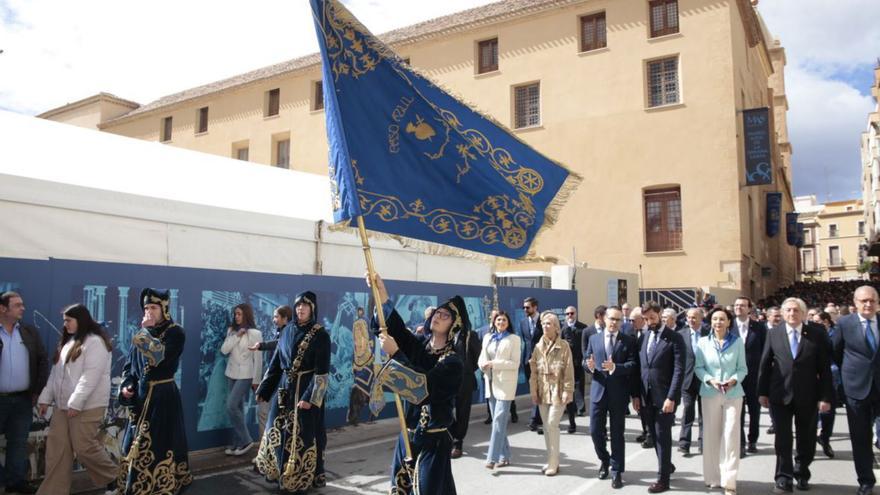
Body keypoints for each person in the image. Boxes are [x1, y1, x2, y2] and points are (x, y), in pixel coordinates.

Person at [367, 274, 464, 494]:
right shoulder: (421, 345)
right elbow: (397, 331)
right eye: (438, 312)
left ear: (454, 325)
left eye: (445, 315)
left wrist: (396, 354)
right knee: (400, 488)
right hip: (407, 434)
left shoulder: (453, 363)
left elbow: (423, 389)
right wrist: (381, 293)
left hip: (433, 441)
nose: (439, 316)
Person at [117, 288, 192, 494]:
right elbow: (130, 366)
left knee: (160, 444)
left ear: (164, 309)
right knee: (135, 444)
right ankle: (137, 485)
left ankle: (160, 485)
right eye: (146, 308)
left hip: (162, 397)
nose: (149, 312)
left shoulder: (176, 332)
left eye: (153, 307)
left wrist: (145, 332)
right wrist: (126, 386)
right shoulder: (141, 334)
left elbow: (158, 358)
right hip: (141, 398)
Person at [36, 304, 117, 495]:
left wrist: (75, 403)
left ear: (81, 320)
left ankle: (115, 477)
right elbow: (56, 374)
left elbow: (90, 377)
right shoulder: (68, 342)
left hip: (87, 406)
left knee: (83, 447)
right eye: (64, 321)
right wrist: (45, 398)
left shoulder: (95, 342)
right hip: (63, 407)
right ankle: (52, 491)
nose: (65, 325)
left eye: (68, 320)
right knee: (57, 452)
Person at [254, 291, 331, 491]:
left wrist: (310, 399)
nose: (300, 308)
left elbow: (322, 373)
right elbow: (276, 363)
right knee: (277, 430)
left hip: (305, 391)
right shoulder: (287, 330)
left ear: (312, 309)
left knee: (302, 436)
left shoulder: (321, 335)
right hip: (284, 390)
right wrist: (265, 388)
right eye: (298, 305)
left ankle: (301, 476)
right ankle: (279, 472)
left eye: (305, 305)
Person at [758, 297, 833, 493]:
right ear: (783, 314)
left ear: (803, 313)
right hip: (779, 395)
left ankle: (802, 473)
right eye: (788, 310)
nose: (792, 314)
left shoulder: (816, 334)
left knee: (806, 439)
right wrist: (762, 392)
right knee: (782, 439)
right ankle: (783, 477)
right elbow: (765, 365)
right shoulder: (774, 334)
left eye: (796, 310)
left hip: (808, 395)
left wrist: (825, 397)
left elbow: (824, 369)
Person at [694, 307, 748, 495]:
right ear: (711, 322)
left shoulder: (737, 342)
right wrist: (711, 380)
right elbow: (699, 368)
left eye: (722, 319)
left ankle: (729, 481)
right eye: (715, 319)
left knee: (731, 435)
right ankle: (713, 478)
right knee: (711, 435)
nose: (718, 322)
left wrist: (733, 380)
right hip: (710, 393)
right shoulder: (702, 343)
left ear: (729, 322)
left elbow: (743, 368)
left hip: (733, 394)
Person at [833, 286, 880, 495]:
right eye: (863, 301)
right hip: (856, 388)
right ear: (855, 302)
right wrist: (849, 373)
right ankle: (866, 481)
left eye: (872, 300)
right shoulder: (844, 323)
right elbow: (835, 352)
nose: (868, 304)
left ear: (878, 302)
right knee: (860, 438)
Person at [0, 291, 48, 495]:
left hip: (22, 400)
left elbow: (41, 360)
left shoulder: (28, 332)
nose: (23, 308)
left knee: (18, 443)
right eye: (17, 305)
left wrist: (37, 390)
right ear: (3, 309)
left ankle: (15, 483)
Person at [585, 306, 638, 489]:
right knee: (594, 431)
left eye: (618, 320)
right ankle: (604, 459)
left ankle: (616, 472)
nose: (614, 323)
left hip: (618, 394)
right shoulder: (594, 338)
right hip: (598, 392)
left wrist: (616, 368)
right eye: (611, 319)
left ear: (621, 322)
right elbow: (587, 360)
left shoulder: (629, 341)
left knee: (617, 434)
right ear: (604, 319)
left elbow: (633, 365)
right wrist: (589, 366)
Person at [637, 301, 685, 493]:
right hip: (646, 396)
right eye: (646, 319)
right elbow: (641, 367)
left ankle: (662, 480)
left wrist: (671, 397)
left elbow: (679, 370)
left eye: (653, 318)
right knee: (654, 435)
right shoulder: (644, 336)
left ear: (660, 314)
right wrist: (636, 395)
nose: (650, 322)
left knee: (663, 437)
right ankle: (667, 465)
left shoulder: (674, 338)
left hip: (665, 398)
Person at [528, 311, 574, 476]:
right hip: (543, 391)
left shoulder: (564, 346)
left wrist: (567, 391)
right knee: (547, 428)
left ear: (556, 327)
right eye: (543, 324)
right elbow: (533, 372)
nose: (545, 327)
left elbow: (569, 370)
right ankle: (551, 460)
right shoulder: (538, 347)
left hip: (558, 391)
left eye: (549, 324)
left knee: (552, 424)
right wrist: (533, 392)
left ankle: (553, 463)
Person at [478, 311, 521, 469]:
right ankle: (505, 455)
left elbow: (514, 364)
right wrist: (482, 365)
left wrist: (494, 364)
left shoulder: (514, 339)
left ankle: (492, 458)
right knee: (499, 423)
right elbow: (482, 357)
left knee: (498, 421)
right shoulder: (488, 337)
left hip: (505, 385)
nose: (501, 322)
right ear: (494, 322)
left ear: (508, 322)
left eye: (504, 319)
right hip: (490, 383)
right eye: (498, 319)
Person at [220, 303, 263, 456]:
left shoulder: (255, 333)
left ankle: (246, 440)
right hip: (231, 372)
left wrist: (256, 380)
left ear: (246, 314)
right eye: (235, 314)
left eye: (239, 314)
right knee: (237, 409)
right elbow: (224, 350)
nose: (236, 317)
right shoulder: (231, 331)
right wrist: (236, 336)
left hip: (246, 374)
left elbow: (258, 358)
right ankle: (237, 443)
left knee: (231, 406)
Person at [249, 305, 292, 432]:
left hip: (277, 380)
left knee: (263, 411)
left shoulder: (287, 333)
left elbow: (278, 344)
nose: (273, 319)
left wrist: (261, 345)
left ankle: (266, 446)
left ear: (285, 319)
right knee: (266, 412)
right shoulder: (283, 331)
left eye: (276, 316)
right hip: (275, 379)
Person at [732, 296, 766, 456]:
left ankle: (753, 440)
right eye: (737, 305)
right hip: (734, 377)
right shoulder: (727, 326)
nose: (739, 307)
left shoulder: (759, 328)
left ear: (749, 308)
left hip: (754, 376)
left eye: (743, 305)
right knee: (737, 411)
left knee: (754, 411)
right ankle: (741, 443)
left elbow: (766, 352)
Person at [450, 311, 481, 459]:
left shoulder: (470, 335)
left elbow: (478, 357)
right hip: (447, 380)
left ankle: (458, 443)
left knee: (462, 412)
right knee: (445, 409)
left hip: (465, 380)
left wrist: (466, 370)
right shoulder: (446, 336)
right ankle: (453, 433)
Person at [678, 308, 704, 456]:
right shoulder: (681, 335)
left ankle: (703, 443)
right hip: (687, 379)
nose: (691, 320)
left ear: (701, 318)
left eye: (694, 317)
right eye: (688, 317)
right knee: (688, 410)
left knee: (703, 414)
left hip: (704, 380)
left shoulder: (709, 333)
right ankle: (684, 443)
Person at [813, 311, 839, 459]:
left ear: (827, 322)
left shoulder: (834, 335)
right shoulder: (806, 334)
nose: (816, 324)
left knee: (828, 411)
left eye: (819, 321)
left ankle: (825, 437)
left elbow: (838, 354)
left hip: (829, 376)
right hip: (810, 378)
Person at [520, 297, 543, 433]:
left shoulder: (544, 321)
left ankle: (534, 419)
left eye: (527, 307)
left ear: (535, 307)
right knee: (534, 389)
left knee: (540, 389)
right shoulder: (523, 323)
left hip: (542, 361)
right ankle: (538, 416)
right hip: (528, 361)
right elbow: (526, 341)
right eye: (524, 307)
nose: (525, 310)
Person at [562, 306, 586, 432]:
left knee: (579, 385)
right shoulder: (563, 328)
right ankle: (570, 407)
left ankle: (580, 408)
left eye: (572, 313)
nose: (570, 315)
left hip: (579, 360)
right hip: (566, 362)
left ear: (576, 314)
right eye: (567, 314)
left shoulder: (583, 327)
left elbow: (585, 344)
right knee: (568, 386)